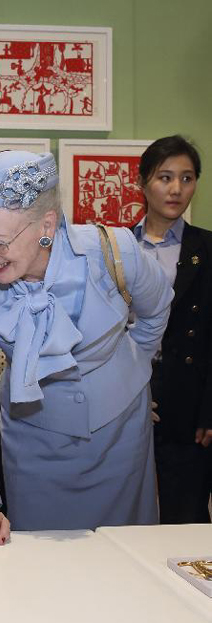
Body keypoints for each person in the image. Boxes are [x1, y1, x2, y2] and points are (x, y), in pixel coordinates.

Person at [0, 150, 173, 544]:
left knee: (124, 560)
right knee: (40, 576)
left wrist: (133, 370)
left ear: (47, 226)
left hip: (120, 435)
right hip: (33, 441)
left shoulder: (113, 251)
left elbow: (156, 311)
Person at [134, 135, 212, 523]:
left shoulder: (207, 248)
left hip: (188, 402)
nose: (176, 189)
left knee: (186, 518)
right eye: (165, 177)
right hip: (128, 396)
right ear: (144, 181)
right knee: (124, 520)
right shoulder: (115, 247)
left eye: (187, 178)